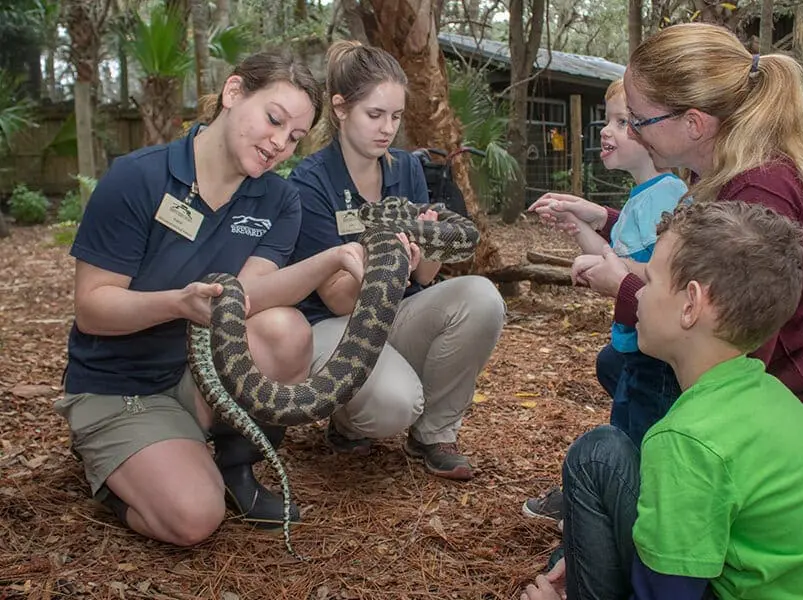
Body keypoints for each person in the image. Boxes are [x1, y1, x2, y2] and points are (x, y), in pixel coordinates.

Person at [541, 22, 803, 593]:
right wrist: (606, 220)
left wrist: (625, 291)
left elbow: (722, 337)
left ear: (694, 123)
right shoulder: (724, 168)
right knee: (623, 375)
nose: (631, 129)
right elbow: (682, 253)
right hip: (779, 394)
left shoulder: (758, 188)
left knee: (693, 516)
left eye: (639, 118)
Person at [54, 51, 367, 547]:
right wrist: (177, 303)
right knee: (194, 519)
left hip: (194, 376)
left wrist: (332, 259)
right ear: (234, 92)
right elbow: (93, 309)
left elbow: (248, 297)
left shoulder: (278, 200)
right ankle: (117, 465)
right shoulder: (139, 179)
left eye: (293, 138)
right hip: (119, 386)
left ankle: (235, 467)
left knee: (285, 329)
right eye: (273, 119)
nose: (278, 145)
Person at [521, 201, 803, 600]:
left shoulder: (688, 439)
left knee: (594, 455)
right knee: (601, 453)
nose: (638, 295)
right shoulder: (769, 395)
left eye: (649, 280)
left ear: (691, 304)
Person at [287, 41, 505, 481]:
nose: (388, 128)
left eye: (396, 117)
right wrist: (385, 258)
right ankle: (347, 420)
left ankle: (434, 433)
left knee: (482, 297)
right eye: (375, 114)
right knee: (394, 404)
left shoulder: (406, 169)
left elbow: (424, 275)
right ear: (341, 108)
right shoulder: (309, 181)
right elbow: (337, 300)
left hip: (397, 309)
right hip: (337, 323)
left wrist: (417, 257)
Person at [522, 79, 688, 525]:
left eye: (623, 121)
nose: (606, 130)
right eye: (609, 119)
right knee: (626, 421)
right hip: (638, 348)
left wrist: (597, 262)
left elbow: (655, 277)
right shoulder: (644, 196)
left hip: (656, 355)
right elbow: (616, 257)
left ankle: (615, 510)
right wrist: (577, 225)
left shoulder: (665, 197)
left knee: (634, 435)